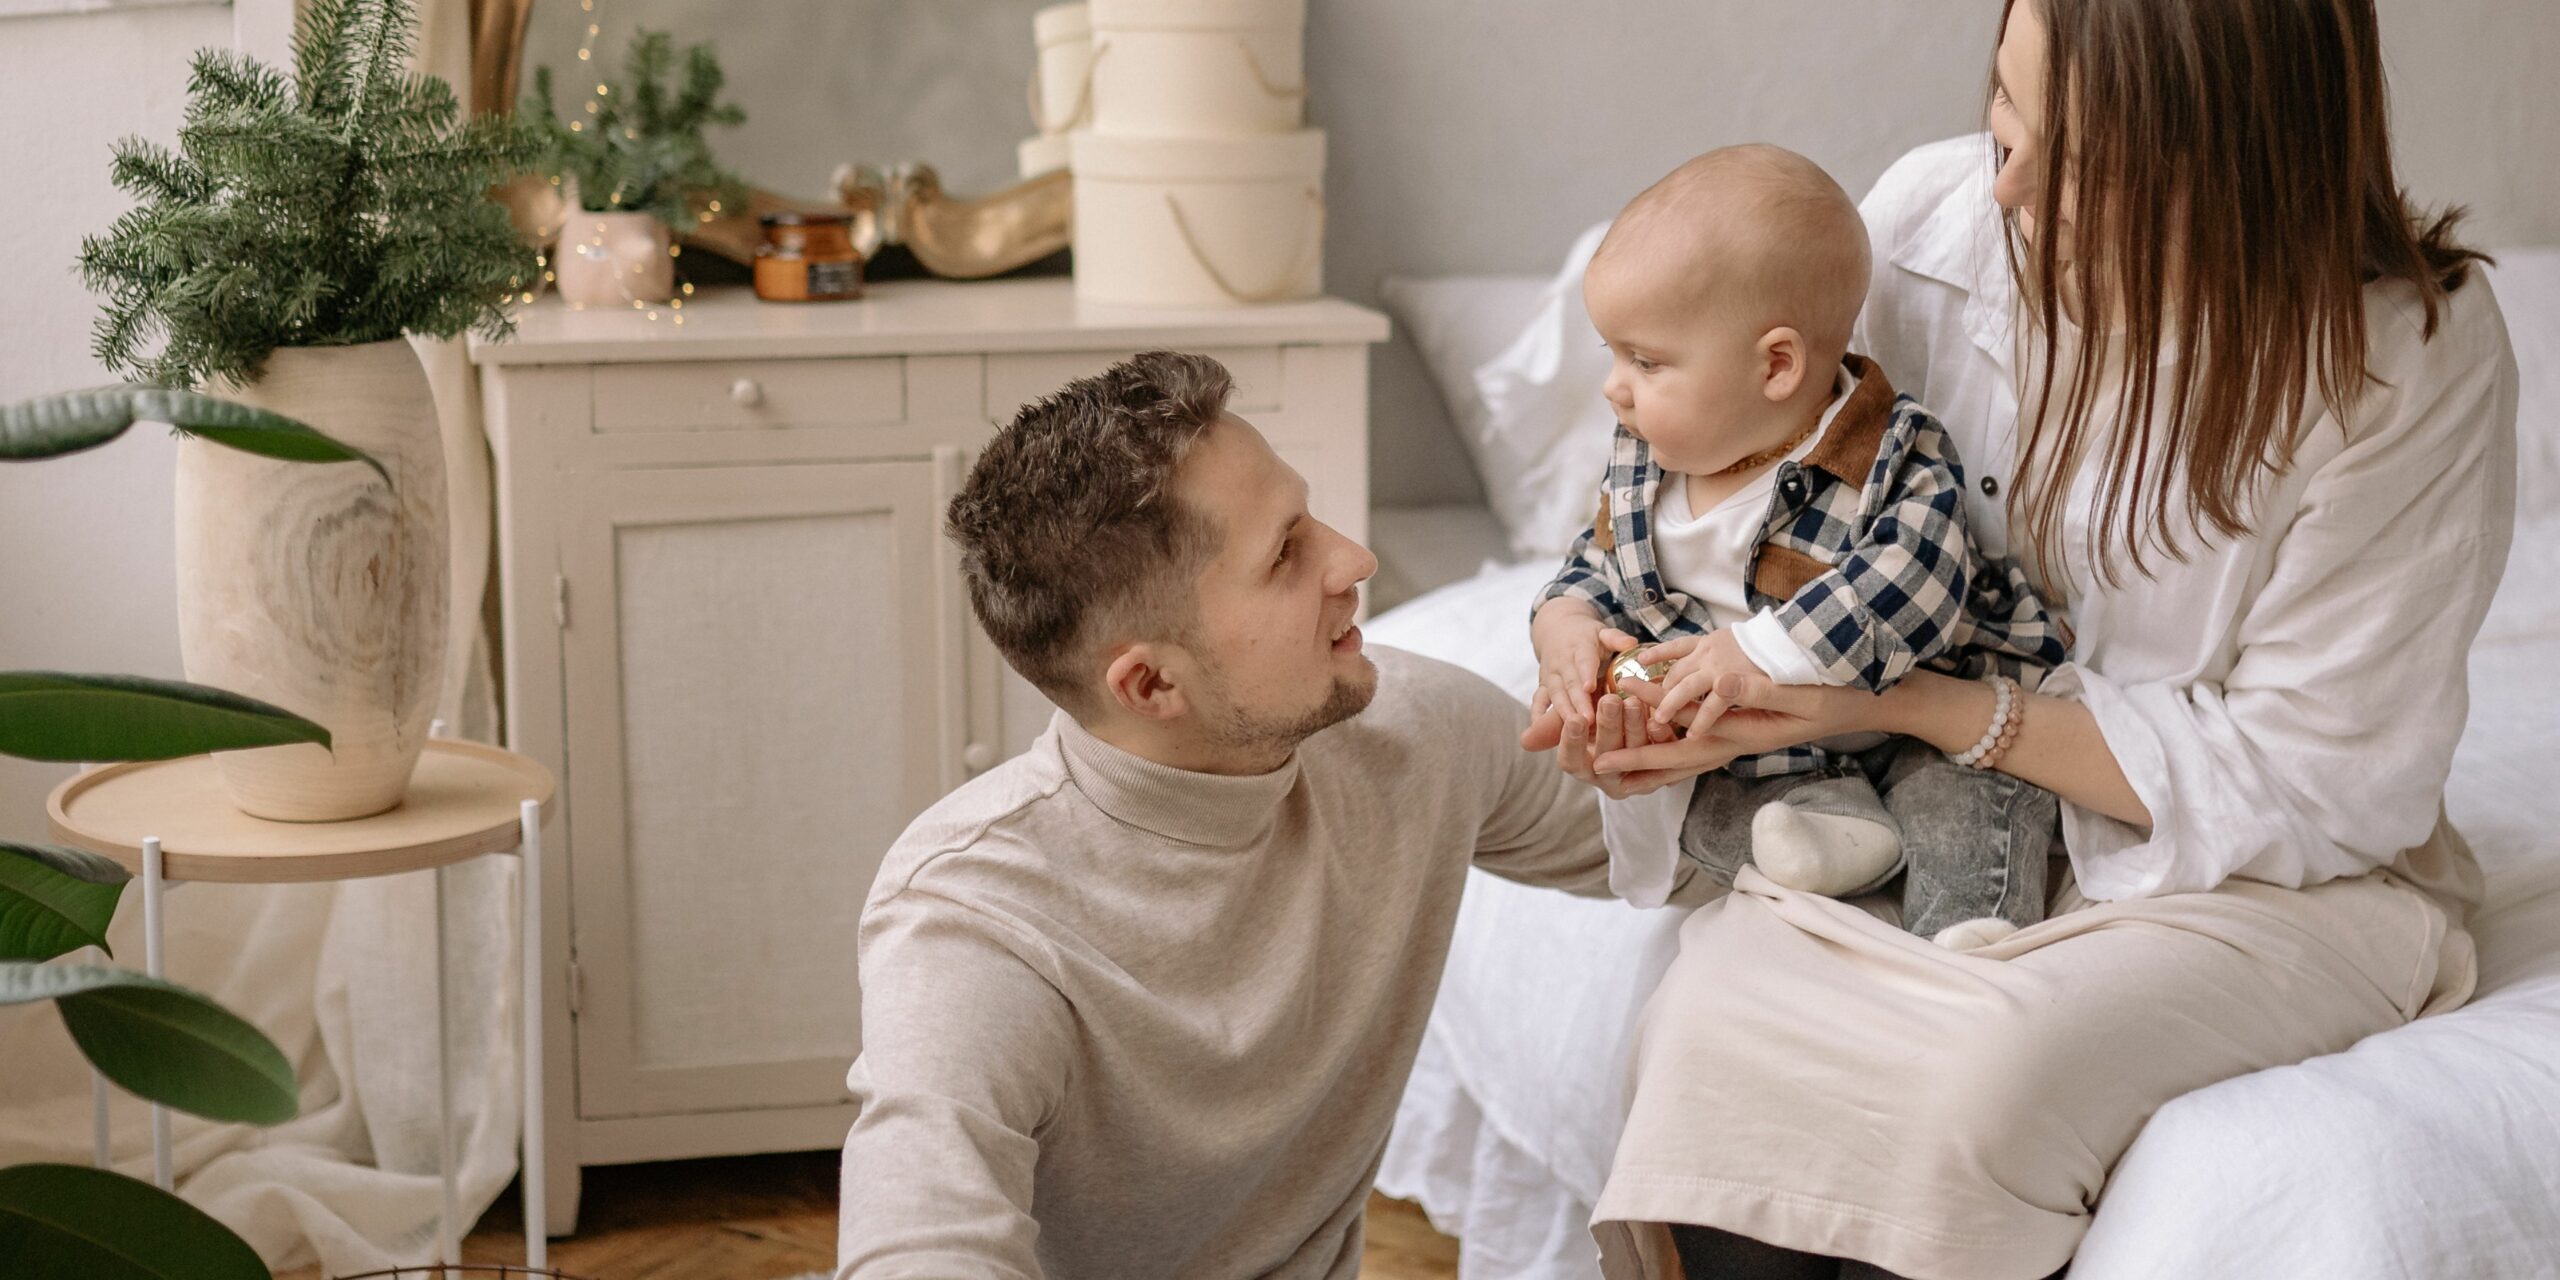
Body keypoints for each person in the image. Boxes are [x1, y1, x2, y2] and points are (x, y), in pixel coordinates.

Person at [1562, 2, 2519, 1277]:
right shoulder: (1927, 224)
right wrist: (1634, 666)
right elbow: (1752, 497)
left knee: (1976, 1073)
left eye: (2083, 157)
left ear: (2231, 160)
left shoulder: (2400, 360)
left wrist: (1916, 706)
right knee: (1707, 1026)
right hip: (1911, 802)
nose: (2005, 174)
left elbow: (2321, 781)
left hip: (2254, 869)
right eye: (2005, 102)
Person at [833, 352, 1719, 1279]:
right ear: (1150, 683)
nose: (1355, 560)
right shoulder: (979, 918)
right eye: (1285, 553)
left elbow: (1698, 847)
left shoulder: (1417, 733)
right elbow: (917, 1244)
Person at [1527, 143, 2068, 946]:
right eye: (1612, 353)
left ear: (1777, 365)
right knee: (1701, 807)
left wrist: (1766, 651)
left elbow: (1914, 579)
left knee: (1963, 806)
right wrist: (1566, 621)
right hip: (1767, 759)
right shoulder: (1647, 461)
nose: (1614, 385)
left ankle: (1968, 932)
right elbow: (1601, 557)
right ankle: (1830, 839)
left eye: (1644, 360)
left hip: (1923, 718)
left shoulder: (1887, 452)